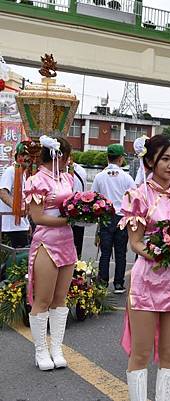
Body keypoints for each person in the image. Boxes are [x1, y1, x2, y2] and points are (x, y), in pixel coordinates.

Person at [119, 135, 170, 401]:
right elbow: (135, 243)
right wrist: (163, 253)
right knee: (140, 353)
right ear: (151, 160)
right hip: (147, 282)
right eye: (165, 158)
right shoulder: (137, 195)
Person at [24, 136, 76, 371]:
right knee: (43, 299)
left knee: (60, 299)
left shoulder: (67, 177)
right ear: (57, 156)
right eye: (66, 156)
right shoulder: (36, 180)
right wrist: (69, 219)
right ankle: (40, 351)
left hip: (67, 241)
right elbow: (37, 217)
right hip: (46, 241)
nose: (68, 160)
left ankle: (57, 348)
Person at [91, 144, 135, 294]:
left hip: (106, 216)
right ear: (121, 159)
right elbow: (134, 198)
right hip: (121, 217)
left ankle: (102, 282)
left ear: (107, 157)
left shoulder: (99, 177)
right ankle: (118, 283)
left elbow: (93, 197)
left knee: (105, 252)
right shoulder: (127, 178)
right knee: (121, 253)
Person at [0, 142, 31, 249]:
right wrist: (17, 207)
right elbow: (3, 193)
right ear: (18, 157)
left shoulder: (24, 174)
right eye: (24, 155)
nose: (27, 158)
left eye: (29, 155)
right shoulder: (10, 171)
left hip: (21, 225)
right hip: (10, 227)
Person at [71, 162, 87, 259]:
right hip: (79, 212)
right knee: (76, 246)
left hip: (68, 214)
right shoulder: (81, 170)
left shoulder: (79, 170)